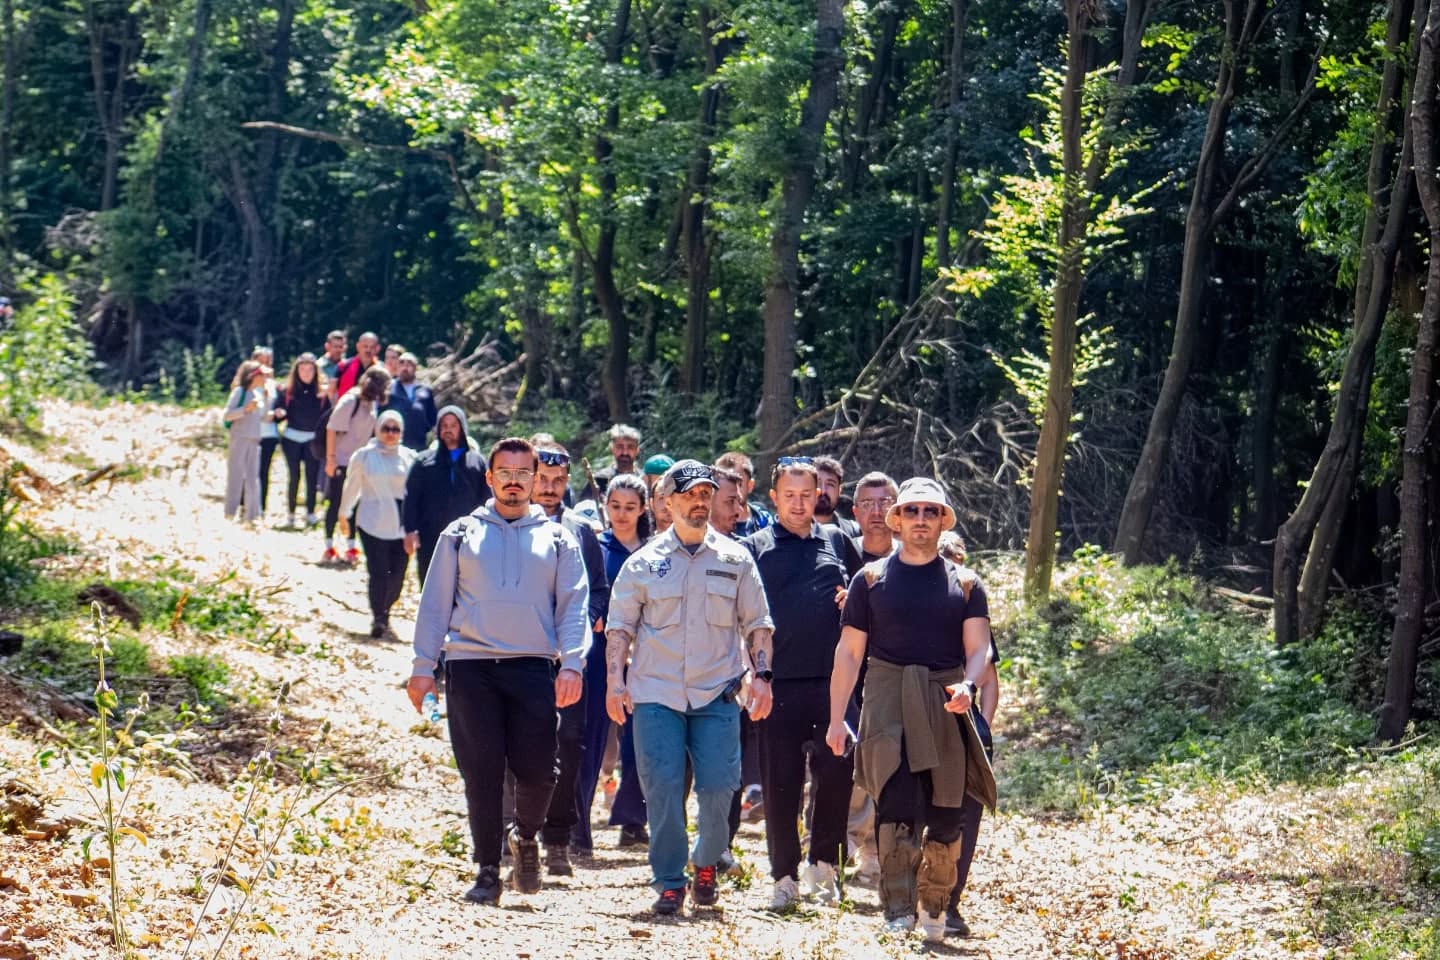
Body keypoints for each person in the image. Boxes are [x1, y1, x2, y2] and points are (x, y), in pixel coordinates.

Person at [407, 437, 590, 906]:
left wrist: (572, 662)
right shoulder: (460, 534)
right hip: (470, 667)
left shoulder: (558, 538)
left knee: (540, 771)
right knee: (482, 773)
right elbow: (434, 605)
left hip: (532, 666)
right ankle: (487, 870)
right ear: (489, 478)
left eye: (522, 473)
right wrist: (422, 667)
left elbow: (573, 607)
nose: (513, 481)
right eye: (504, 472)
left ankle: (524, 836)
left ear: (536, 479)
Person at [825, 477, 997, 941]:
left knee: (946, 812)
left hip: (946, 699)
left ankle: (935, 907)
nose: (921, 519)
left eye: (931, 511)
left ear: (943, 521)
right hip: (886, 697)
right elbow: (848, 654)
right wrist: (838, 715)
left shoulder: (965, 584)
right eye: (912, 511)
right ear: (896, 519)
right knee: (895, 805)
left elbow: (979, 649)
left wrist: (967, 682)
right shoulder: (870, 579)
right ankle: (898, 909)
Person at [605, 460, 775, 916]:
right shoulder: (643, 563)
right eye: (690, 494)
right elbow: (619, 627)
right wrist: (614, 681)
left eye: (706, 493)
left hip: (716, 694)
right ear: (666, 501)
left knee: (721, 788)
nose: (700, 502)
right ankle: (669, 881)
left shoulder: (736, 560)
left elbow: (758, 624)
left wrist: (762, 678)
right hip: (655, 694)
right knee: (661, 787)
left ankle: (706, 863)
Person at [742, 457, 862, 911]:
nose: (798, 503)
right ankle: (784, 876)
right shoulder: (754, 547)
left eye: (806, 495)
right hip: (779, 685)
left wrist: (853, 599)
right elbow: (746, 617)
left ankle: (823, 867)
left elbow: (861, 597)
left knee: (836, 774)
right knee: (780, 783)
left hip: (834, 684)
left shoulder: (837, 540)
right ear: (773, 498)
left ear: (820, 496)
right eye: (789, 495)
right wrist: (756, 676)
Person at [530, 440, 610, 874]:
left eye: (558, 481)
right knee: (520, 745)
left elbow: (599, 588)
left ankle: (558, 840)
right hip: (519, 653)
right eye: (542, 479)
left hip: (571, 658)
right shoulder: (510, 522)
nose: (550, 488)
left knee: (570, 744)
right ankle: (518, 830)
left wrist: (590, 618)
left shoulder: (581, 529)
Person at [935, 530, 998, 938]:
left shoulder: (973, 601)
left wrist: (983, 728)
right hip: (925, 720)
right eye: (945, 557)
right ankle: (921, 897)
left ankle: (951, 902)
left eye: (957, 556)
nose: (952, 563)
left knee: (966, 817)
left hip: (967, 726)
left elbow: (990, 678)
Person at [583, 474, 651, 851]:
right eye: (615, 506)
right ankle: (577, 823)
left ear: (643, 509)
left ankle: (632, 820)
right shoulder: (595, 546)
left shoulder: (653, 552)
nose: (622, 515)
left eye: (630, 507)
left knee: (638, 741)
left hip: (644, 656)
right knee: (592, 738)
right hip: (598, 652)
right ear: (606, 506)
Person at [338, 410, 418, 638]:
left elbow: (417, 493)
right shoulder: (364, 456)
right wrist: (344, 513)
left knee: (398, 575)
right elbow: (351, 487)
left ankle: (387, 609)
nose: (390, 434)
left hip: (401, 525)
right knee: (378, 572)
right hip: (372, 522)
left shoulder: (409, 457)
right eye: (386, 428)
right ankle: (378, 617)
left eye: (396, 429)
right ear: (377, 429)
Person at [403, 406, 491, 589]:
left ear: (462, 428)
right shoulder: (424, 461)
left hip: (469, 537)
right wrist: (409, 530)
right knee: (430, 585)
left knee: (465, 586)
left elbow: (487, 499)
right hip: (431, 536)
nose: (448, 429)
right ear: (438, 429)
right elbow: (411, 497)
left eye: (453, 425)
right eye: (444, 425)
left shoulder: (477, 461)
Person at [324, 366, 392, 565]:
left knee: (355, 503)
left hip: (360, 463)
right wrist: (330, 459)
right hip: (341, 461)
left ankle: (351, 546)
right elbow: (331, 428)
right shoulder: (350, 400)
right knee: (336, 502)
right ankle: (329, 546)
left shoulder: (372, 404)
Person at [275, 352, 328, 527]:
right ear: (296, 371)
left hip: (312, 440)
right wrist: (279, 413)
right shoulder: (287, 391)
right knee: (294, 476)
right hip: (291, 438)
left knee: (311, 477)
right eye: (302, 369)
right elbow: (279, 411)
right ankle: (290, 514)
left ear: (315, 371)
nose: (306, 373)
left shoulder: (322, 393)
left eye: (309, 369)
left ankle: (310, 513)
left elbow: (327, 417)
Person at [221, 360, 266, 523]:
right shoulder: (239, 392)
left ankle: (253, 515)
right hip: (239, 438)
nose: (265, 377)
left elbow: (261, 417)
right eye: (262, 374)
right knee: (236, 476)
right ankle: (230, 513)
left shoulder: (259, 394)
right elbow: (227, 414)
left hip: (254, 439)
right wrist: (245, 409)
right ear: (253, 376)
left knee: (253, 478)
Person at [251, 348, 283, 518]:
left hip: (269, 434)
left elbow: (280, 406)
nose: (264, 365)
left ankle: (261, 506)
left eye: (268, 361)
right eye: (261, 361)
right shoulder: (246, 384)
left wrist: (278, 415)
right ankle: (246, 504)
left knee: (264, 471)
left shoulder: (274, 386)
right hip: (250, 433)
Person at [384, 351, 437, 450]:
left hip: (419, 444)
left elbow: (432, 419)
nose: (405, 367)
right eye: (401, 364)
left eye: (409, 364)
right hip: (394, 444)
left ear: (415, 368)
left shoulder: (425, 390)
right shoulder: (389, 388)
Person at [716, 451, 773, 536]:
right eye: (725, 484)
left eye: (739, 484)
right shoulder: (709, 526)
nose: (732, 490)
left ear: (750, 485)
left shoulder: (765, 522)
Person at [586, 423, 643, 498]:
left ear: (637, 450)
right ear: (612, 449)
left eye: (630, 447)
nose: (625, 452)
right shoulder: (600, 479)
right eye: (620, 447)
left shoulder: (643, 479)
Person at [853, 471, 899, 562]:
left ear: (897, 511)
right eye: (867, 504)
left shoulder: (911, 556)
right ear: (856, 512)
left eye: (884, 503)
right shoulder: (842, 552)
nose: (876, 512)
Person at [812, 456, 861, 537]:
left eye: (830, 484)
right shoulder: (788, 533)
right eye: (817, 483)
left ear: (839, 491)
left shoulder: (855, 532)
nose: (823, 490)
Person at [332, 331, 380, 399]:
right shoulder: (343, 366)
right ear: (358, 346)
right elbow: (332, 392)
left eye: (372, 347)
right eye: (365, 346)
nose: (368, 350)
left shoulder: (381, 370)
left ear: (377, 348)